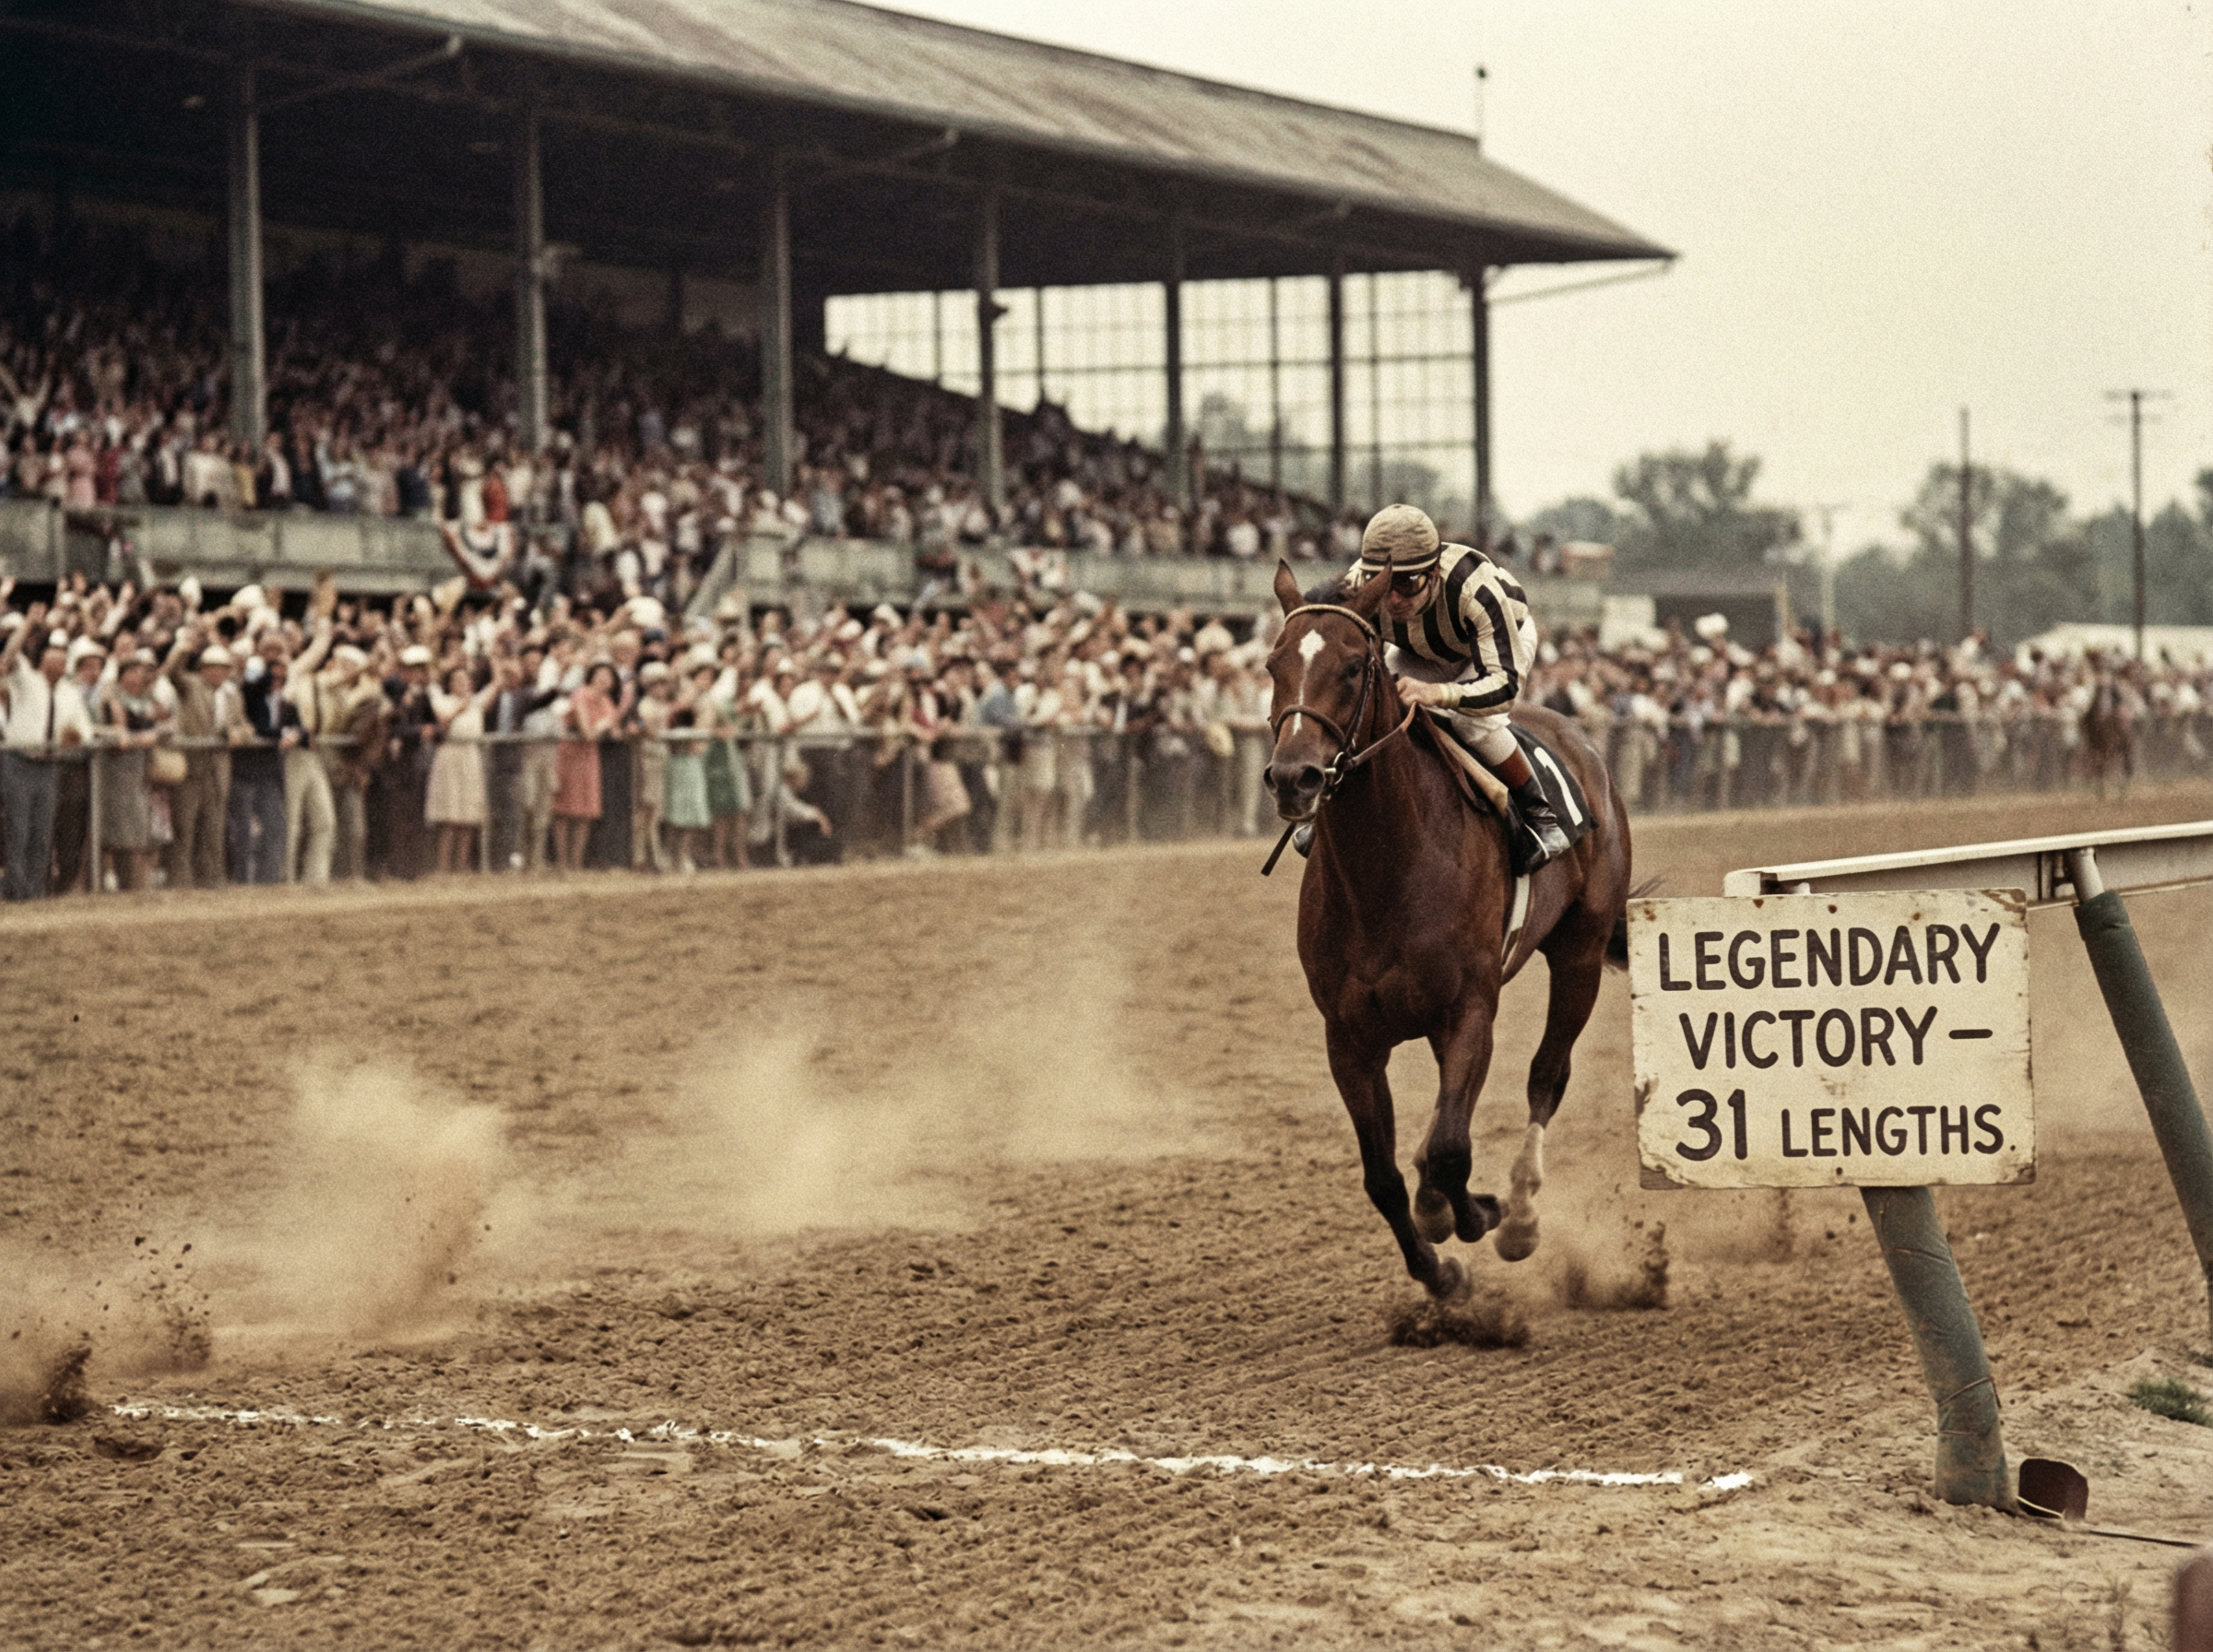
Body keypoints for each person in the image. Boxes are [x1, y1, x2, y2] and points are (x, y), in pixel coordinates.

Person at [1341, 503, 1568, 867]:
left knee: (1470, 720)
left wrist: (1439, 693)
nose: (1393, 599)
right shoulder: (1354, 586)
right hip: (1418, 646)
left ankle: (1540, 816)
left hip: (1496, 644)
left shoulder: (1477, 590)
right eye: (1381, 584)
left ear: (1434, 572)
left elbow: (1503, 688)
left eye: (1408, 583)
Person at [1, 602, 68, 900]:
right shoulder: (27, 679)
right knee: (19, 830)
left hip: (48, 765)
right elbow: (9, 656)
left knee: (42, 833)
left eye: (63, 662)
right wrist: (28, 625)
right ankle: (18, 892)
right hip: (18, 761)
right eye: (53, 660)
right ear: (43, 662)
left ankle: (37, 893)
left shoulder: (67, 692)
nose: (58, 666)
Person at [426, 664, 498, 874]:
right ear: (450, 684)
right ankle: (443, 868)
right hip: (449, 755)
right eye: (457, 680)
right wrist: (460, 707)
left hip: (470, 756)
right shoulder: (442, 700)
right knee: (448, 816)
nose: (462, 684)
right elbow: (443, 723)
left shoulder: (476, 702)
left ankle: (461, 866)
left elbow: (496, 685)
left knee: (467, 816)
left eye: (466, 680)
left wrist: (494, 658)